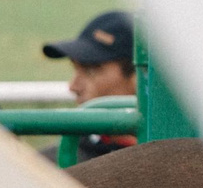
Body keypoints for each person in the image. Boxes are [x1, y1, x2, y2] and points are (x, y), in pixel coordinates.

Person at [39, 11, 137, 160]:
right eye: (75, 69)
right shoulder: (49, 165)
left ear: (139, 77)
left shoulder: (180, 156)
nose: (73, 87)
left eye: (90, 70)